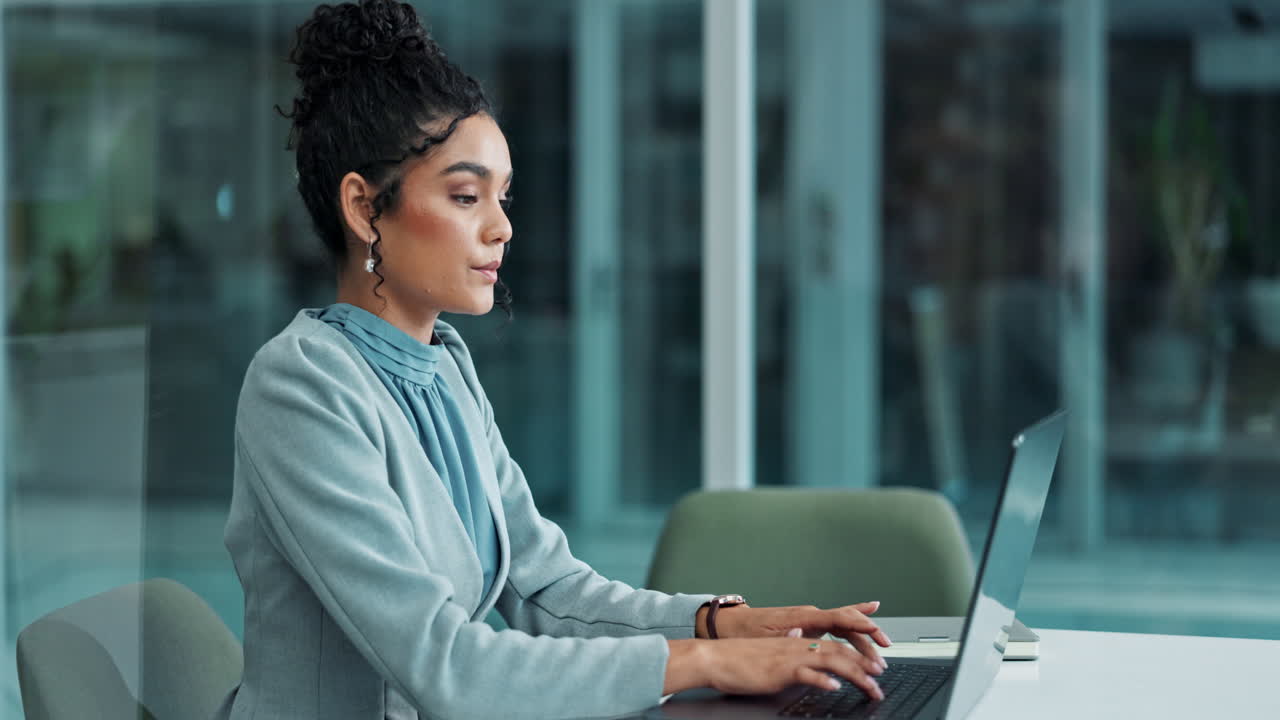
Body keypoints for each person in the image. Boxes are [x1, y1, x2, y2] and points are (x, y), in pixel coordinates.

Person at [214, 1, 891, 718]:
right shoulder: (300, 388)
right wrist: (709, 662)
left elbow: (549, 591)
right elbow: (445, 664)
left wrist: (724, 623)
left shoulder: (444, 368)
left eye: (502, 197)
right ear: (363, 208)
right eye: (466, 195)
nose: (501, 226)